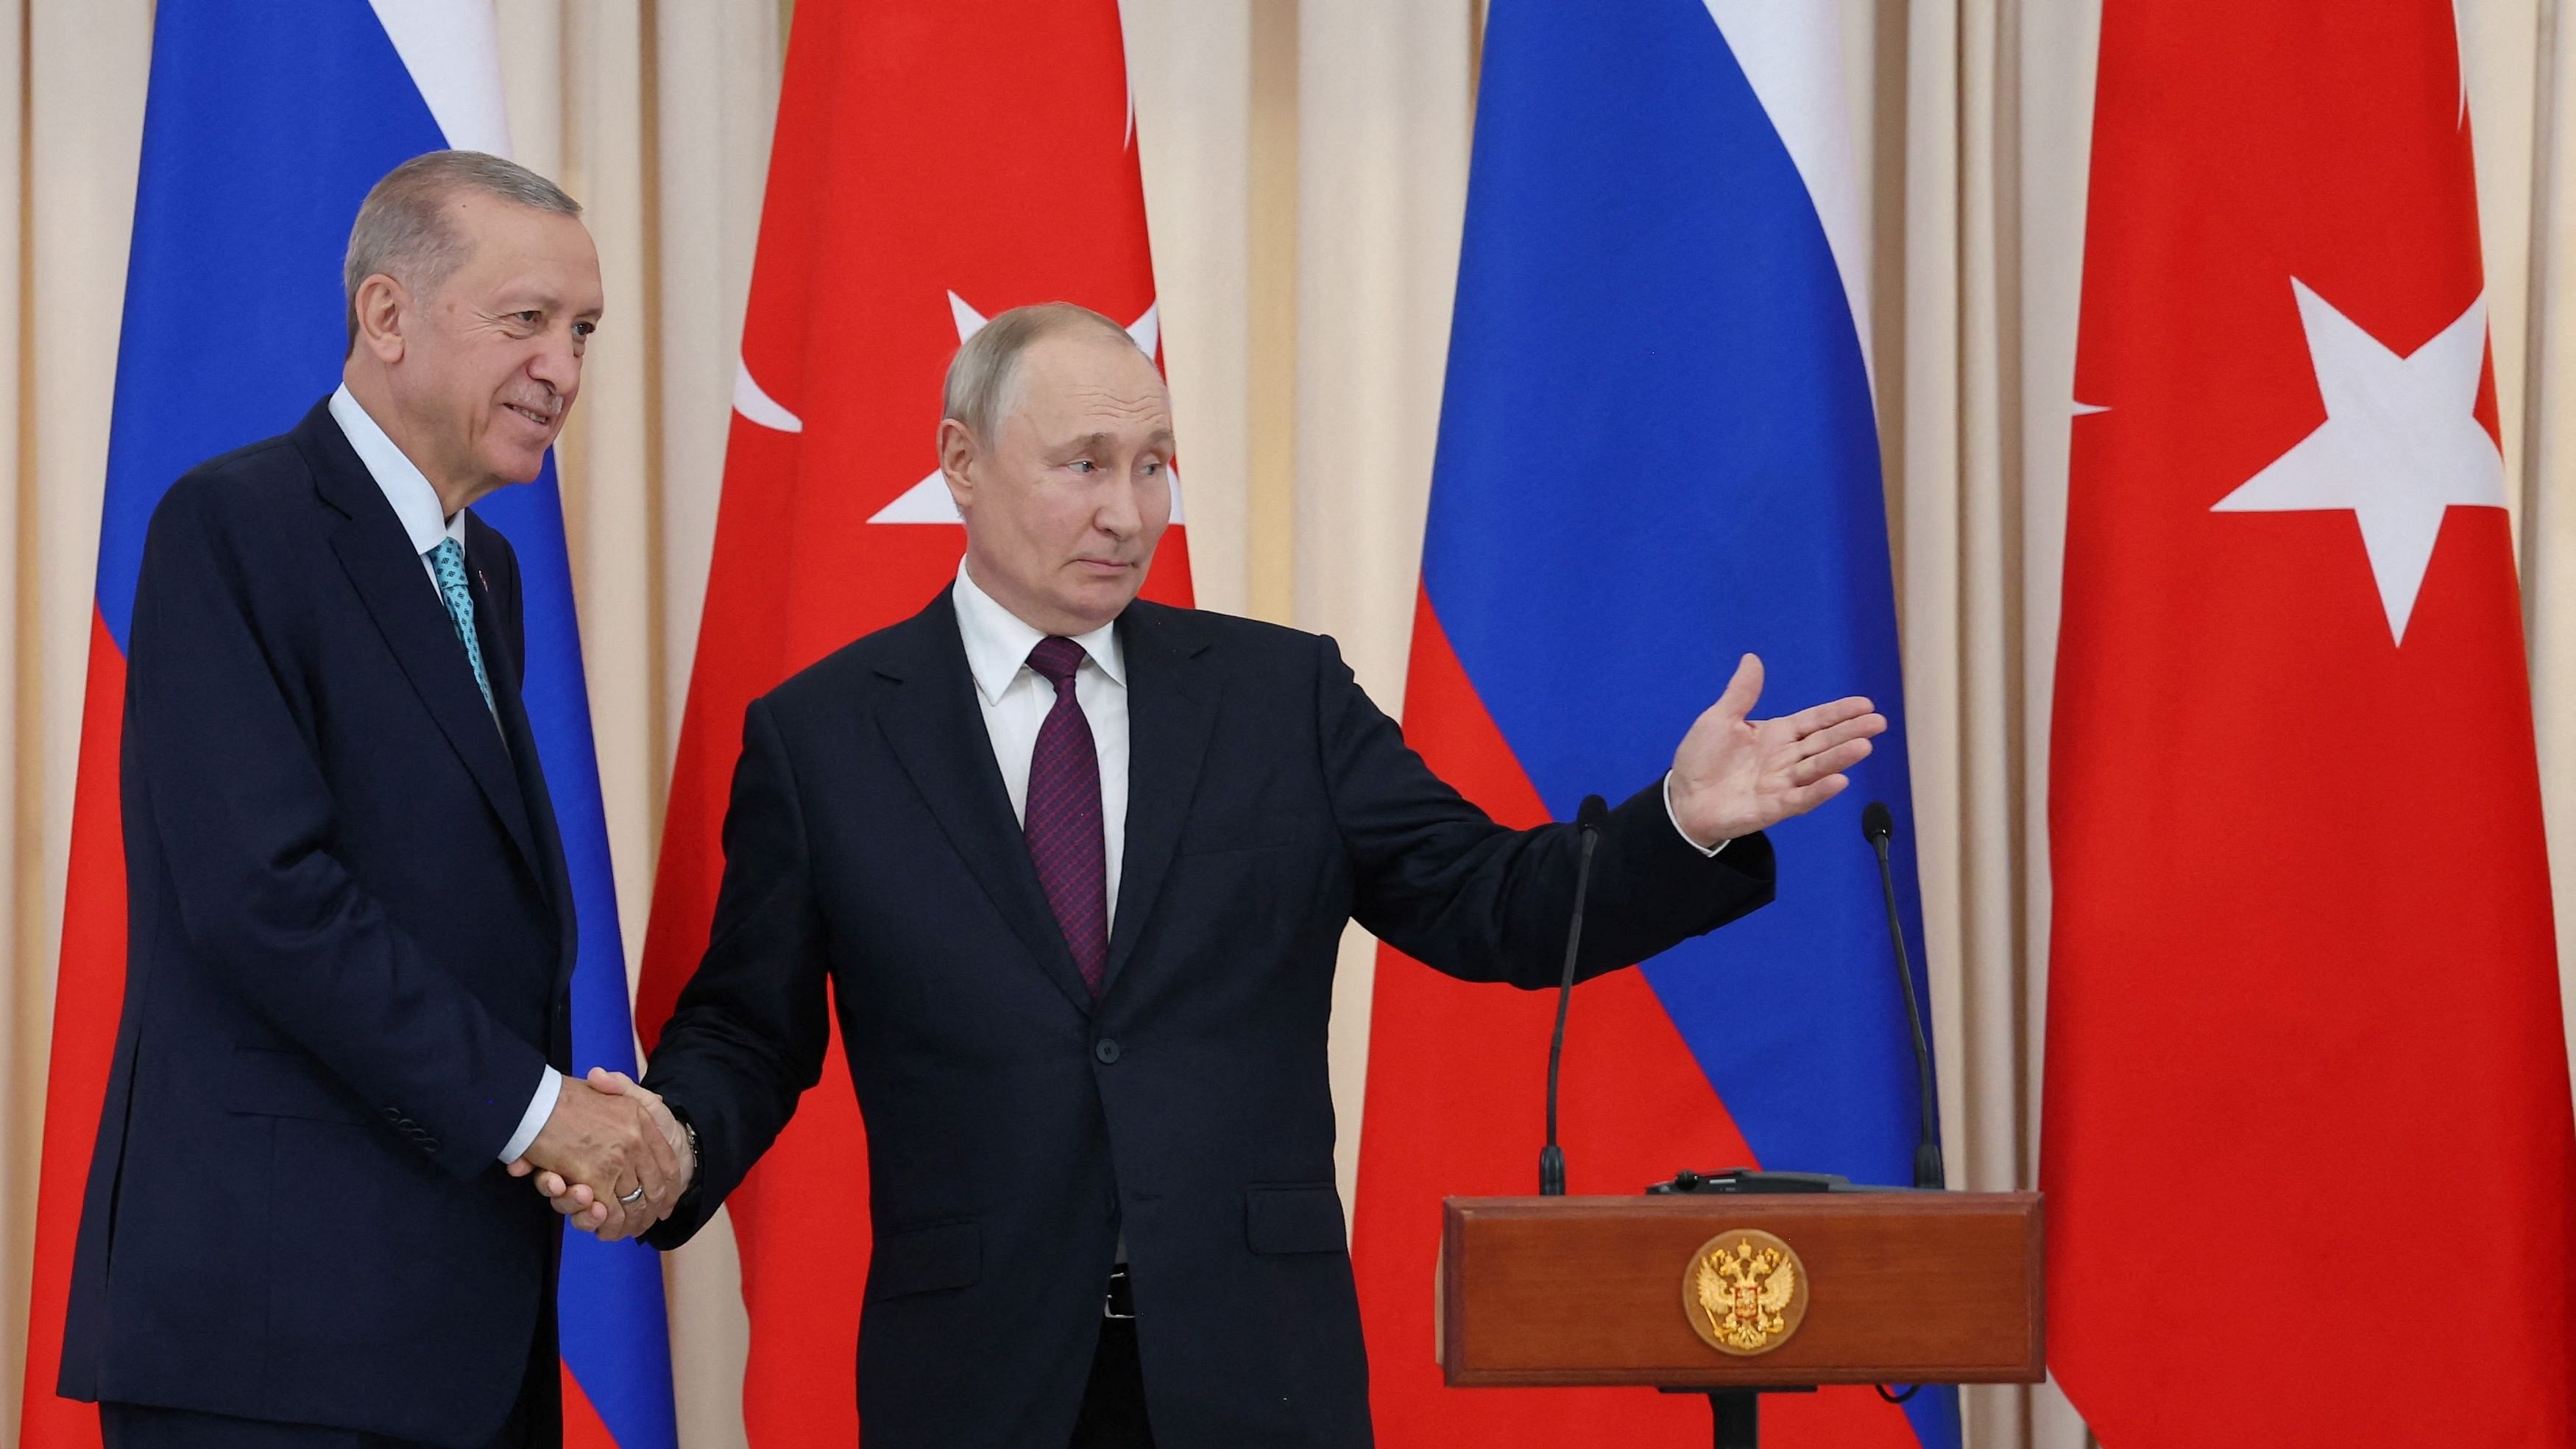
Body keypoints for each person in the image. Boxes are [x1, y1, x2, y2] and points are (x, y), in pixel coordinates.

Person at [547, 303, 1884, 1448]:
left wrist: (1682, 820)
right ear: (961, 461)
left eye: (1153, 465)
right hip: (978, 1373)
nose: (1128, 513)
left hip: (1257, 1365)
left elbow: (1495, 902)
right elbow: (748, 1023)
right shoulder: (827, 733)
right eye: (1084, 465)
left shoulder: (1278, 695)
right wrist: (669, 1141)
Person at [57, 151, 685, 1449]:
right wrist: (538, 1109)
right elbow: (266, 899)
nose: (563, 369)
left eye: (582, 332)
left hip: (456, 1334)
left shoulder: (488, 573)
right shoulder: (232, 525)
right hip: (275, 1338)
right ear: (386, 316)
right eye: (526, 321)